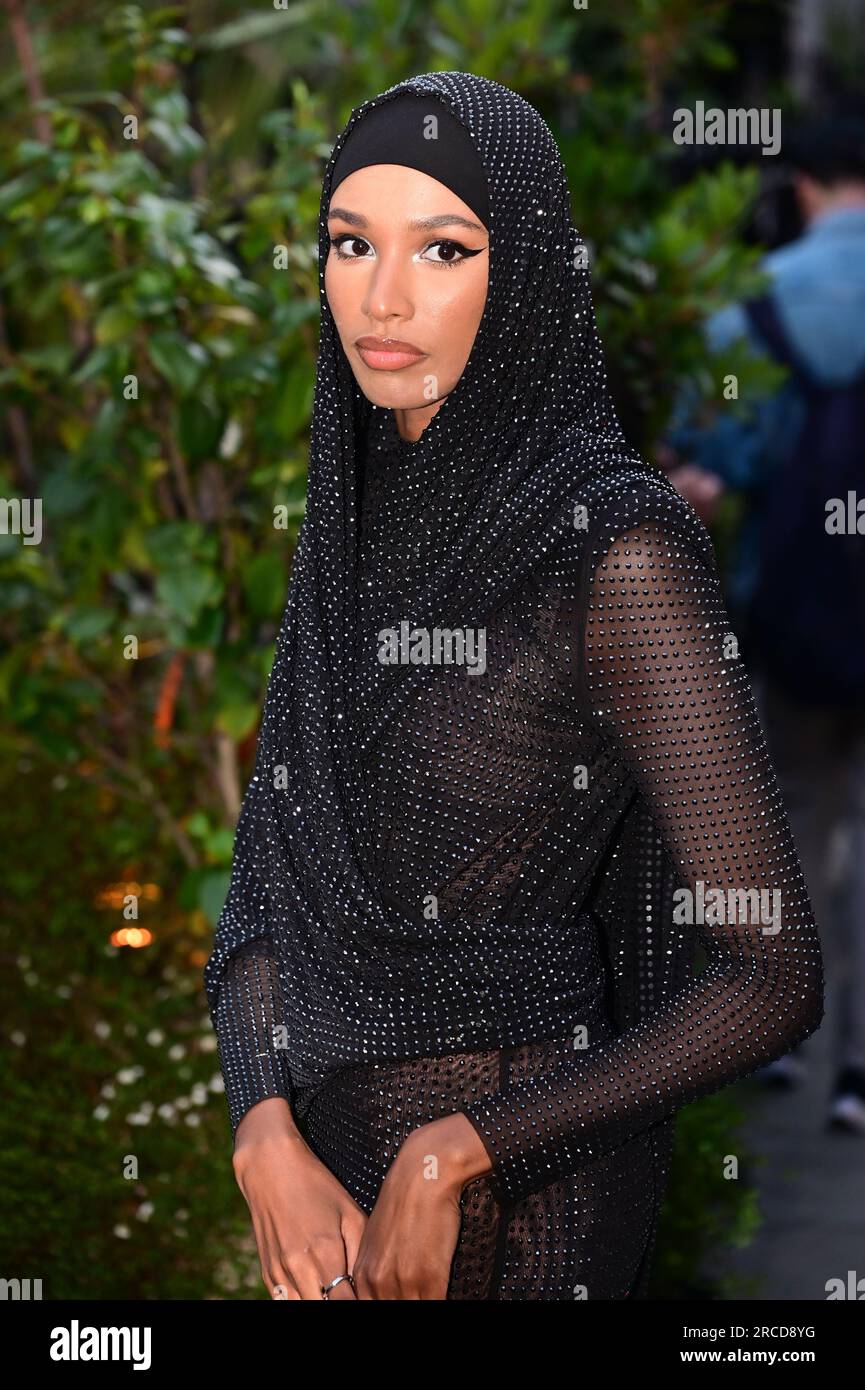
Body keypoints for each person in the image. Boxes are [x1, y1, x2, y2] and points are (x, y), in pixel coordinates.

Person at [203, 72, 825, 1301]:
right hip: (325, 1185)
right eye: (349, 244)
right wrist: (260, 1126)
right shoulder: (355, 516)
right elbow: (267, 874)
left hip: (524, 1205)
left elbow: (774, 975)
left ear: (524, 266)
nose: (380, 299)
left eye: (442, 248)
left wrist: (456, 1157)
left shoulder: (614, 551)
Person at [665, 118, 865, 1130]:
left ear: (800, 191)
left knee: (798, 815)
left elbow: (712, 457)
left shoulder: (758, 304)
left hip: (795, 611)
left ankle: (789, 1034)